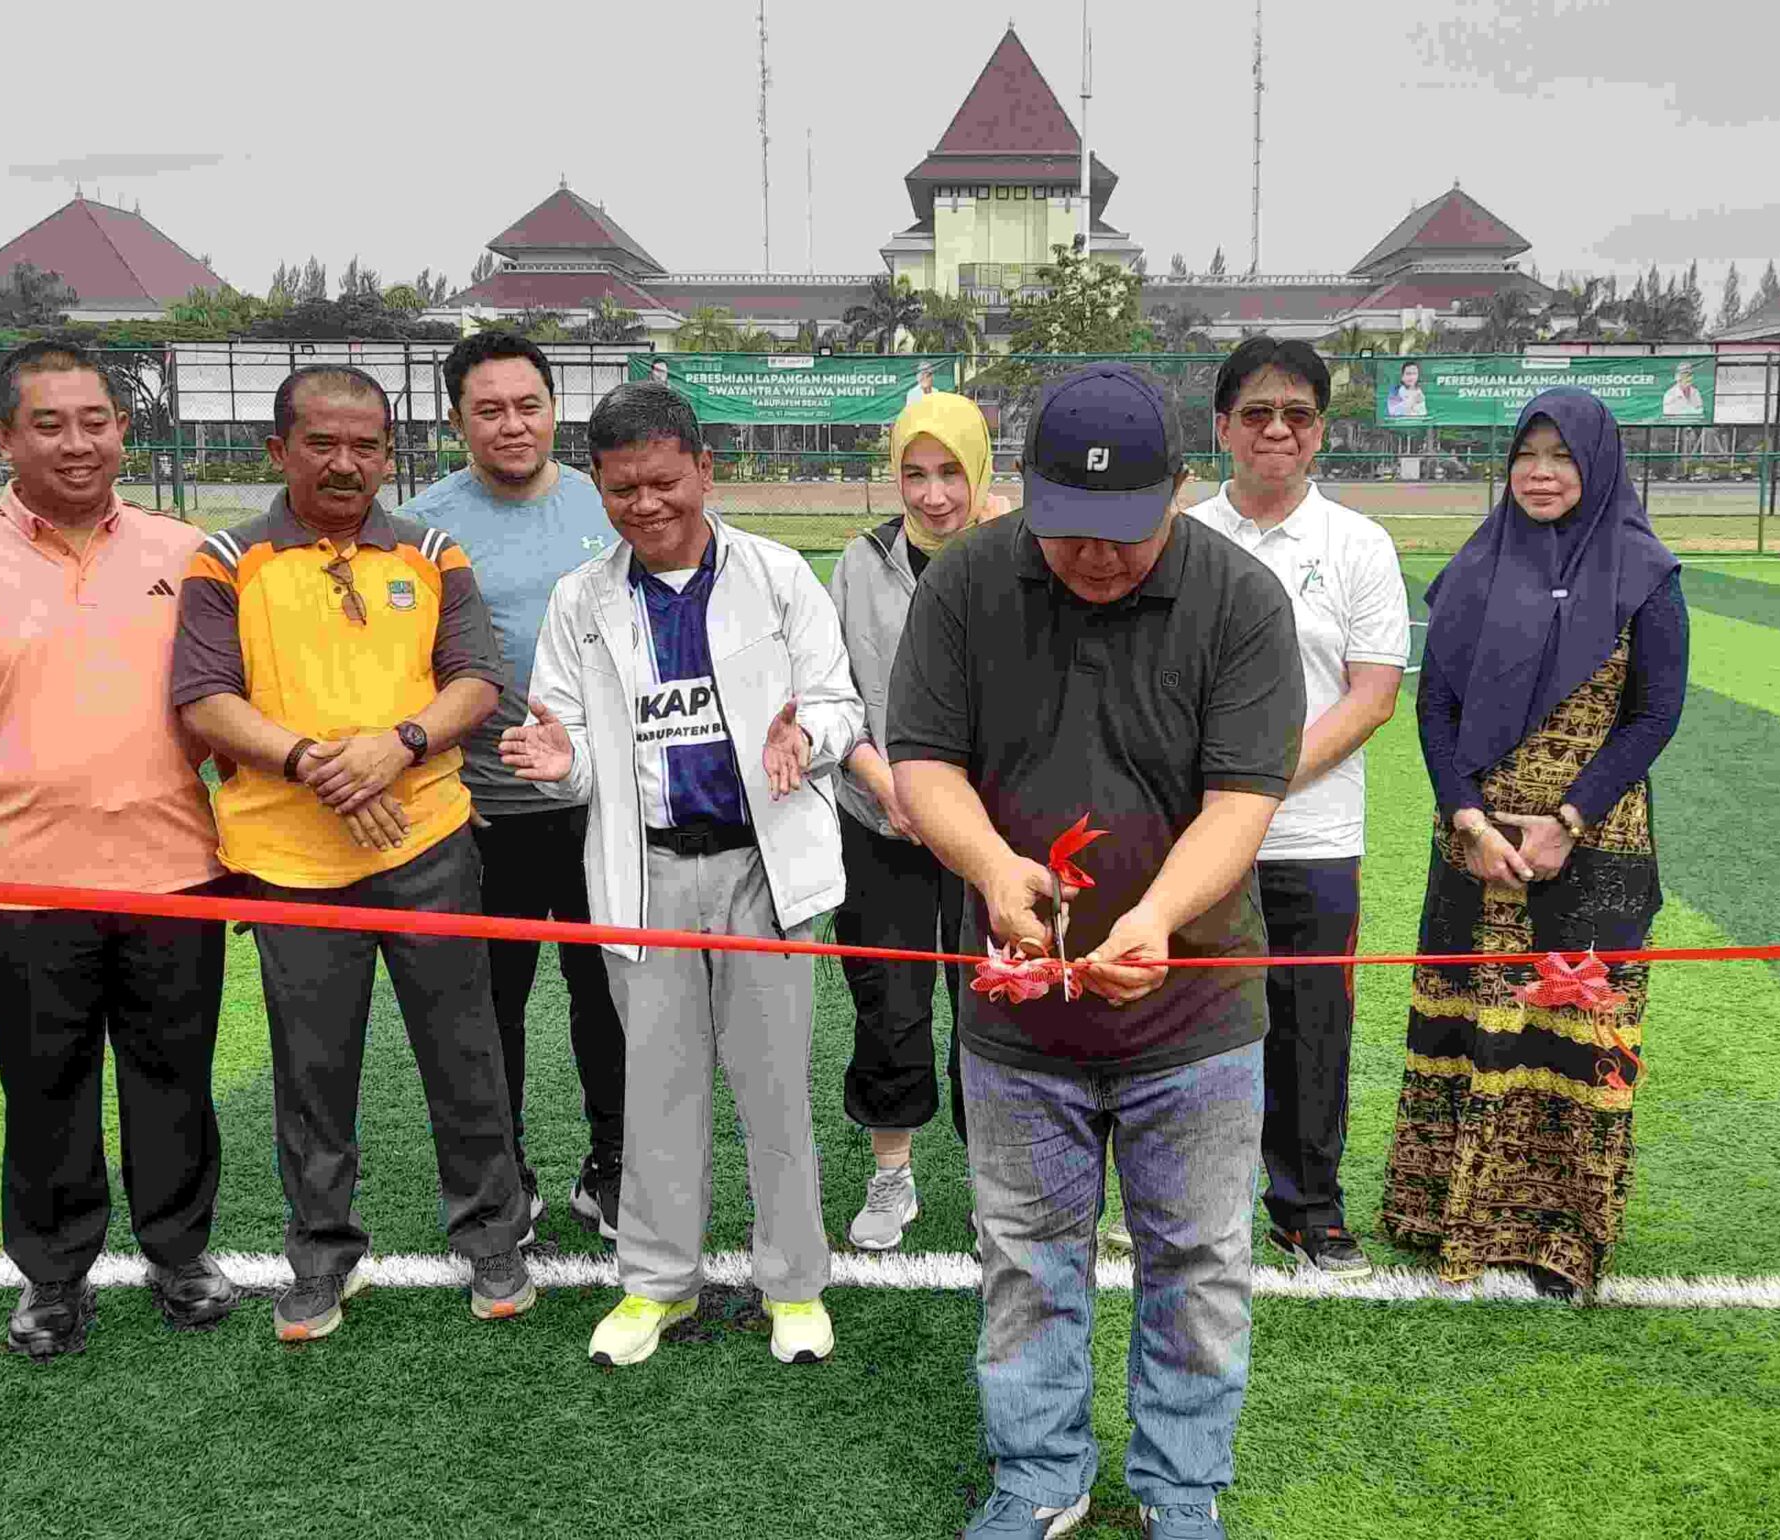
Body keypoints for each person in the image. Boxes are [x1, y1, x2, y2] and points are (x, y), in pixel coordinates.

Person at [887, 362, 1304, 1540]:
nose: (1101, 560)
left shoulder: (1240, 600)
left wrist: (1158, 918)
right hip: (1020, 1018)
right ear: (1024, 491)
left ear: (1182, 488)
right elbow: (923, 764)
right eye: (1071, 532)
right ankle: (1039, 1472)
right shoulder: (966, 586)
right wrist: (987, 867)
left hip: (1197, 1014)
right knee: (1026, 1260)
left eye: (1127, 533)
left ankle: (1181, 1487)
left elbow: (1239, 801)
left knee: (1201, 1263)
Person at [0, 342, 238, 1357]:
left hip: (177, 874)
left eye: (96, 419)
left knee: (174, 1079)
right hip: (22, 886)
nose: (77, 441)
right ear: (3, 437)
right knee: (46, 1089)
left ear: (123, 430)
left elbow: (228, 711)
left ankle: (180, 1254)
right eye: (49, 422)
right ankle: (53, 1277)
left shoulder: (185, 551)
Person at [500, 382, 862, 1369]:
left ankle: (792, 1283)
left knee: (776, 1089)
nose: (645, 505)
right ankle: (656, 1283)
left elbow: (837, 703)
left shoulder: (779, 575)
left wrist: (809, 733)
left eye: (663, 481)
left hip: (761, 872)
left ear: (704, 469)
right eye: (621, 489)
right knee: (655, 1095)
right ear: (598, 489)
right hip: (647, 876)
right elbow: (569, 736)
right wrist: (556, 761)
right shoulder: (582, 602)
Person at [171, 365, 534, 1340]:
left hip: (427, 842)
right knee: (312, 1067)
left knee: (464, 1054)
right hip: (290, 860)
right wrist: (314, 763)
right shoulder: (227, 560)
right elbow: (204, 697)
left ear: (388, 450)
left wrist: (397, 746)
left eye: (365, 445)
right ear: (277, 448)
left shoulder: (430, 550)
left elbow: (476, 682)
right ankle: (322, 1258)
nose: (345, 462)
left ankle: (494, 1241)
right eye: (321, 443)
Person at [1387, 386, 1686, 1299]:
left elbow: (1654, 715)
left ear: (1597, 467)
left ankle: (1559, 1236)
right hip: (1475, 845)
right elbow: (1433, 705)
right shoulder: (1476, 569)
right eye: (1528, 455)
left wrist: (1567, 821)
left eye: (1563, 457)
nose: (1542, 473)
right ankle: (1444, 1211)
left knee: (1571, 1031)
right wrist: (1466, 817)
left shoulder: (1645, 574)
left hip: (1590, 848)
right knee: (1470, 1021)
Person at [1184, 338, 1410, 1277]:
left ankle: (1308, 1205)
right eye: (1257, 414)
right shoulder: (1183, 537)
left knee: (1313, 1024)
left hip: (1314, 837)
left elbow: (1372, 694)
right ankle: (1191, 1200)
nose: (1277, 430)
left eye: (1299, 415)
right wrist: (1223, 800)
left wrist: (1263, 783)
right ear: (1223, 428)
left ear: (1321, 431)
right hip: (1195, 840)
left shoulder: (1358, 544)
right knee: (1192, 1021)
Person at [398, 331, 626, 1243]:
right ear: (456, 420)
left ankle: (612, 1168)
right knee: (487, 1011)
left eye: (527, 405)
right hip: (482, 813)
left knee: (608, 998)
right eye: (488, 409)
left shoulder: (604, 505)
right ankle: (505, 1178)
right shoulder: (422, 528)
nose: (511, 424)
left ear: (554, 408)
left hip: (600, 808)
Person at [824, 391, 998, 1251]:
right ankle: (893, 1176)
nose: (934, 496)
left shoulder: (1018, 558)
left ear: (981, 472)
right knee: (888, 1005)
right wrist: (880, 780)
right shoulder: (859, 565)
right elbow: (833, 690)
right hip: (880, 825)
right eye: (915, 475)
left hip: (986, 838)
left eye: (951, 474)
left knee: (991, 1006)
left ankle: (993, 1187)